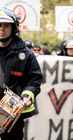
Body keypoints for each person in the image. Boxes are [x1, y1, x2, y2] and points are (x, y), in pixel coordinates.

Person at [0, 7, 42, 140]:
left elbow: (34, 80)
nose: (1, 29)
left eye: (6, 25)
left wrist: (27, 96)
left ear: (14, 28)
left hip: (12, 113)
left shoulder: (26, 54)